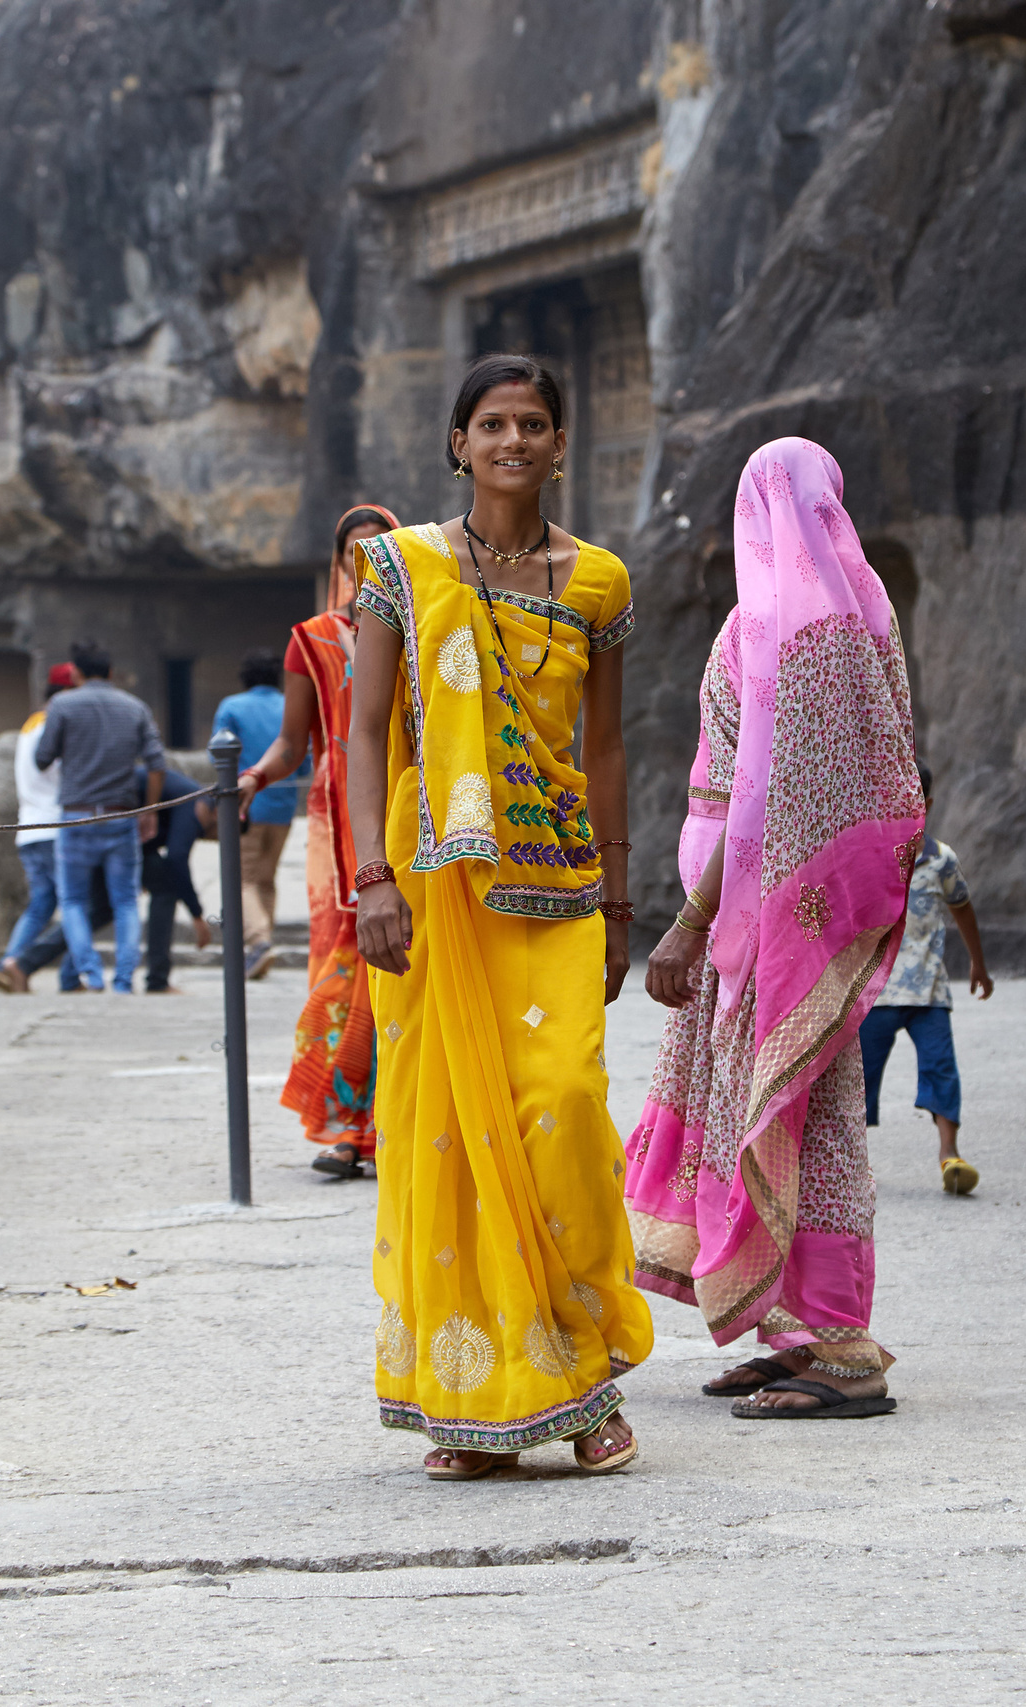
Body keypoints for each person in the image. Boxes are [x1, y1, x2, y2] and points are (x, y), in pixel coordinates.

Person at [347, 355, 651, 1479]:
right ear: (458, 444)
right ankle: (488, 1402)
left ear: (560, 444)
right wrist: (370, 883)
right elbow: (366, 728)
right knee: (453, 1135)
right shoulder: (402, 568)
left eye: (532, 422)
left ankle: (577, 1362)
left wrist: (622, 898)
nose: (513, 439)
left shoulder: (600, 584)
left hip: (561, 878)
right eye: (491, 423)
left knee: (561, 1106)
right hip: (434, 885)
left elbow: (607, 746)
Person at [622, 436, 925, 1422]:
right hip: (814, 917)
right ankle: (796, 1329)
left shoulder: (789, 629)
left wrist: (688, 923)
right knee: (797, 1116)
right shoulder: (864, 615)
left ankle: (839, 1346)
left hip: (762, 924)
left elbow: (762, 807)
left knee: (813, 1124)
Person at [240, 502, 399, 1179]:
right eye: (352, 554)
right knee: (340, 977)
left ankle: (397, 1125)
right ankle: (342, 1129)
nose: (364, 565)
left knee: (406, 971)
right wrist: (249, 776)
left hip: (407, 813)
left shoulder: (427, 628)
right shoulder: (311, 638)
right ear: (338, 564)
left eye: (377, 552)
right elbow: (290, 739)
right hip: (336, 822)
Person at [859, 765, 994, 1195]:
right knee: (859, 1079)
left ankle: (949, 1154)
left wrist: (978, 964)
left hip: (929, 992)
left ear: (927, 805)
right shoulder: (866, 858)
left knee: (941, 1068)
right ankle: (850, 1164)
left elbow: (963, 908)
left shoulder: (941, 860)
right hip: (875, 994)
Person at [34, 641, 164, 997]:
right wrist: (148, 810)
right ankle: (123, 981)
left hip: (75, 817)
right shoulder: (135, 707)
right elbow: (157, 764)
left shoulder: (62, 705)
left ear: (75, 672)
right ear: (110, 672)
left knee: (73, 901)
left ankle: (91, 975)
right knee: (125, 901)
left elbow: (42, 758)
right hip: (121, 815)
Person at [0, 661, 81, 994]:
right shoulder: (57, 724)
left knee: (41, 904)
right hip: (56, 826)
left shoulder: (31, 724)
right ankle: (70, 976)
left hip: (28, 828)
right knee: (77, 903)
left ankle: (8, 965)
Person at [214, 650, 301, 979]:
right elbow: (301, 757)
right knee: (266, 878)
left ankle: (259, 941)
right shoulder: (287, 706)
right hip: (284, 803)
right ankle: (261, 947)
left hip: (246, 804)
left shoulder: (232, 707)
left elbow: (220, 757)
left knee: (243, 878)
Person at [136, 759, 211, 994]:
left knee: (96, 906)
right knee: (166, 888)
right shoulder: (195, 806)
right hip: (116, 828)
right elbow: (177, 859)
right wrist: (197, 915)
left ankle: (27, 962)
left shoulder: (190, 797)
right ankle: (157, 979)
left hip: (129, 837)